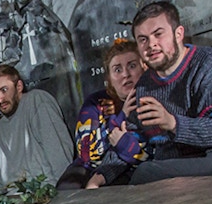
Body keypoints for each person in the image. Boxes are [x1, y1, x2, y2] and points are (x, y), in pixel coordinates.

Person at [125, 1, 212, 184]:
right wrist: (100, 177)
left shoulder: (210, 65)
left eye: (158, 34)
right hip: (170, 164)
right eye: (143, 39)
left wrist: (173, 123)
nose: (151, 44)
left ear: (179, 33)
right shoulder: (144, 85)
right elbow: (136, 134)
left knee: (146, 174)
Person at [55, 39, 154, 189]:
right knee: (68, 186)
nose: (126, 74)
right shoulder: (95, 103)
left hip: (129, 167)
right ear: (109, 79)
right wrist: (122, 117)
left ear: (144, 68)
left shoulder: (152, 98)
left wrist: (123, 145)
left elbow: (149, 154)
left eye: (132, 66)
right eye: (117, 70)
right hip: (90, 168)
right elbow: (87, 153)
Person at [0, 63, 70, 188]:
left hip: (46, 191)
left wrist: (63, 191)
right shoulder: (0, 128)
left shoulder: (36, 101)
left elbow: (60, 157)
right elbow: (2, 179)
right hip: (13, 196)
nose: (0, 99)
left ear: (19, 86)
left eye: (4, 90)